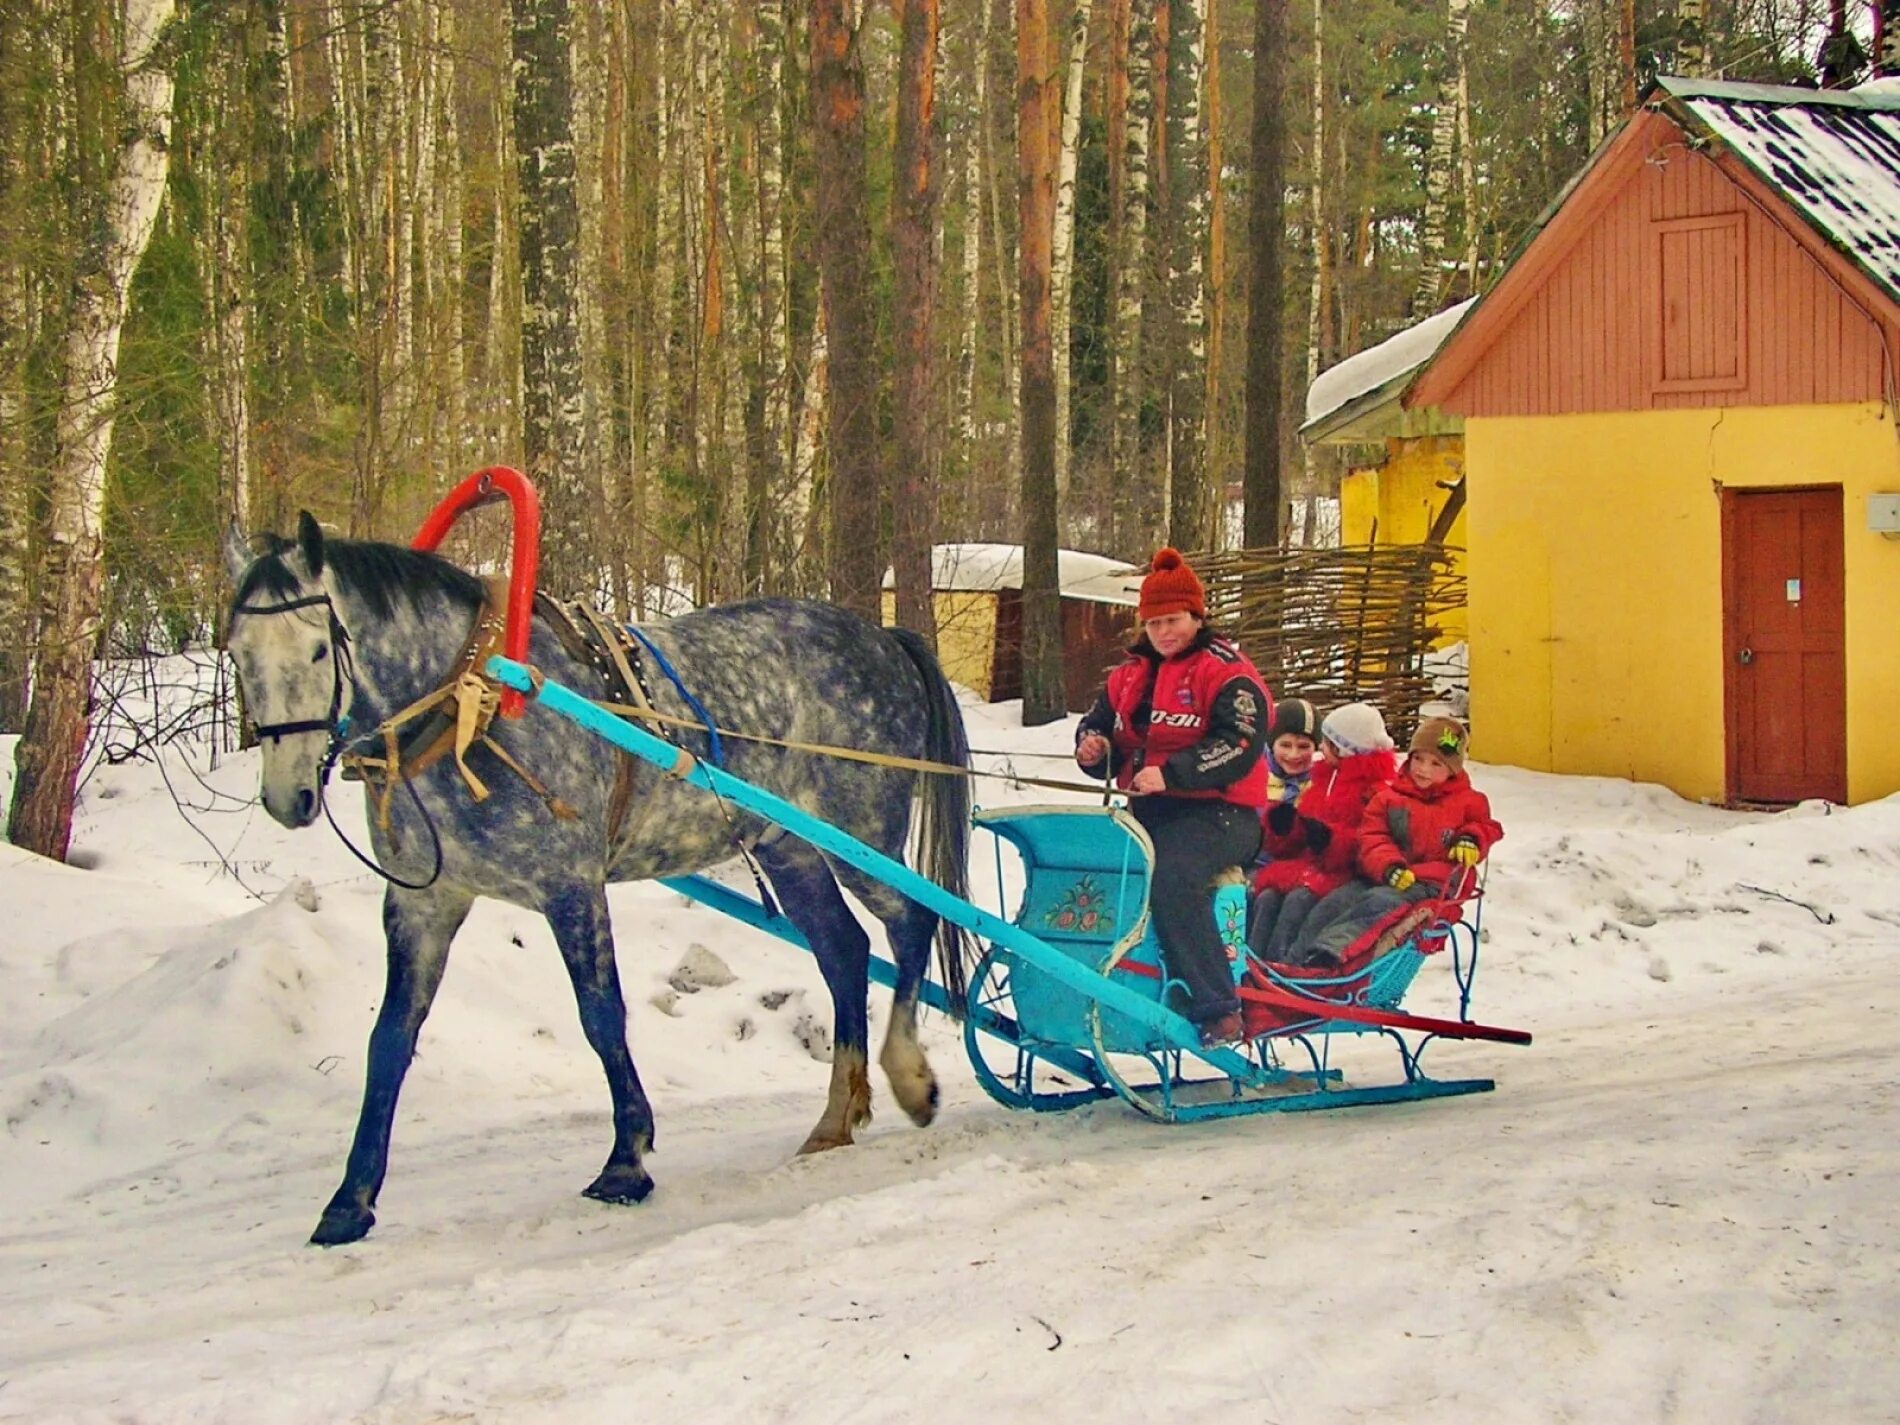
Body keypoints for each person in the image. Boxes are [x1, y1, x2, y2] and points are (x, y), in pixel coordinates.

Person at [1075, 547, 1270, 1046]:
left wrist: (1173, 773)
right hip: (1149, 814)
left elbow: (1241, 744)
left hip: (1222, 817)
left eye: (1174, 620)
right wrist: (1092, 748)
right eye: (1155, 622)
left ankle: (1219, 1007)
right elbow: (1099, 726)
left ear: (1197, 616)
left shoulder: (1227, 671)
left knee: (1172, 880)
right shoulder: (1127, 676)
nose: (1165, 632)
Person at [1291, 715, 1504, 968]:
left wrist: (1470, 839)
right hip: (1388, 875)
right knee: (1335, 901)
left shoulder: (1468, 801)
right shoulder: (1390, 799)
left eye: (1436, 763)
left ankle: (1327, 959)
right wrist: (1389, 866)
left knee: (1378, 905)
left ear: (1453, 769)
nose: (1423, 769)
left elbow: (1485, 826)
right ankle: (1294, 963)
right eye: (1418, 759)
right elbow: (1373, 836)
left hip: (1433, 885)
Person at [1246, 702, 1398, 964]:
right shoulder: (1326, 778)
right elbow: (1303, 835)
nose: (1321, 749)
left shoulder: (1372, 791)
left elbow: (1366, 841)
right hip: (1311, 864)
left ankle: (1286, 969)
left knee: (1298, 901)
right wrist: (1287, 829)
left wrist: (1328, 840)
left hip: (1342, 871)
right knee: (1268, 896)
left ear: (1344, 748)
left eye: (1326, 743)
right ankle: (1251, 965)